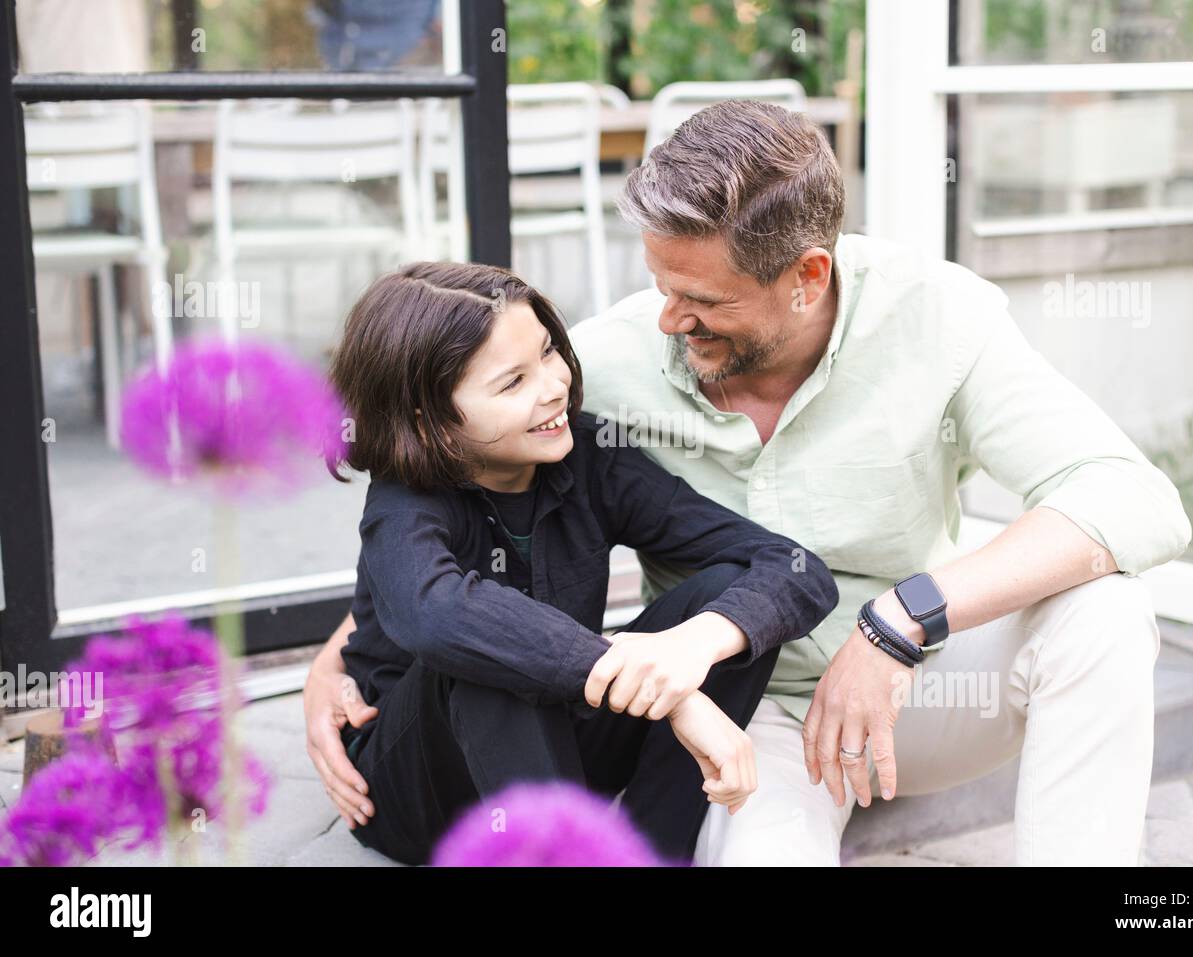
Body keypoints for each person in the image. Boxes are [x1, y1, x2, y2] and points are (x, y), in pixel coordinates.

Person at [308, 101, 1192, 866]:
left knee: (1107, 612)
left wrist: (902, 621)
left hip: (910, 687)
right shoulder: (599, 368)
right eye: (659, 283)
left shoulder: (939, 320)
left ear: (807, 278)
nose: (667, 317)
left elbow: (1133, 496)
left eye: (701, 298)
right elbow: (444, 533)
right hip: (748, 713)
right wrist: (343, 653)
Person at [320, 260, 837, 865]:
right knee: (486, 656)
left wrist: (691, 651)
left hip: (559, 742)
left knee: (724, 599)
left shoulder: (588, 457)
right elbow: (434, 617)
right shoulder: (404, 502)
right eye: (512, 382)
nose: (552, 385)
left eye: (547, 352)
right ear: (428, 418)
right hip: (420, 789)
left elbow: (795, 568)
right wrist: (673, 695)